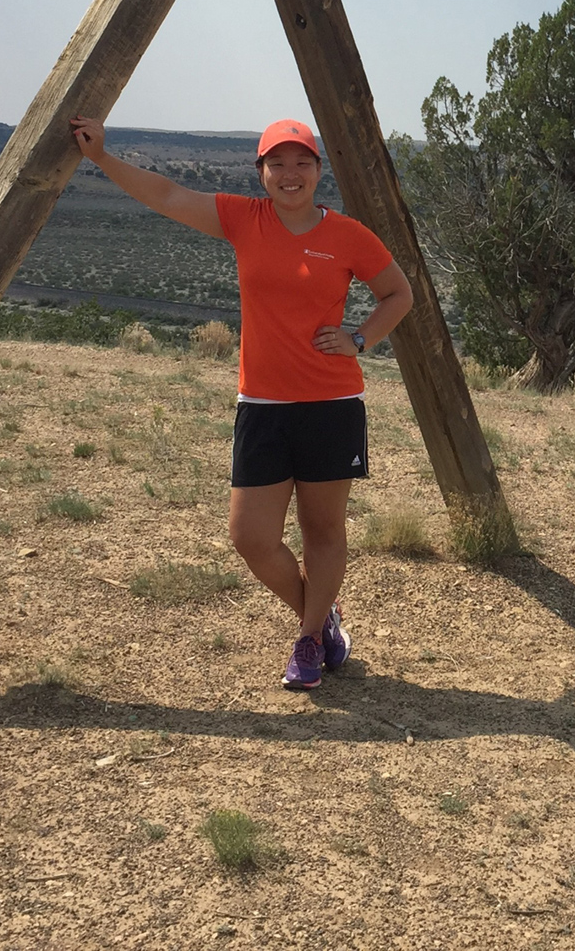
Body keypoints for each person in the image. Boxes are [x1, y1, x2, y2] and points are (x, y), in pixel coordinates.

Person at [68, 113, 413, 690]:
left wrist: (359, 338)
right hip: (264, 405)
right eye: (277, 163)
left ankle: (307, 644)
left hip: (332, 403)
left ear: (318, 170)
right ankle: (320, 615)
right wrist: (101, 157)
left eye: (302, 162)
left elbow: (398, 293)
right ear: (261, 172)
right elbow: (169, 194)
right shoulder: (243, 219)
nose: (290, 173)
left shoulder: (349, 235)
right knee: (250, 536)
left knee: (322, 531)